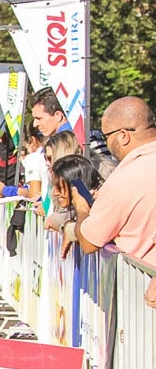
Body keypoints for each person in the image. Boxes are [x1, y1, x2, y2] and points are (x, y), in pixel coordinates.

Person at [62, 96, 156, 267]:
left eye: (106, 136)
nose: (106, 143)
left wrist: (82, 209)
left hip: (140, 286)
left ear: (123, 136)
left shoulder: (125, 178)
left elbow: (89, 242)